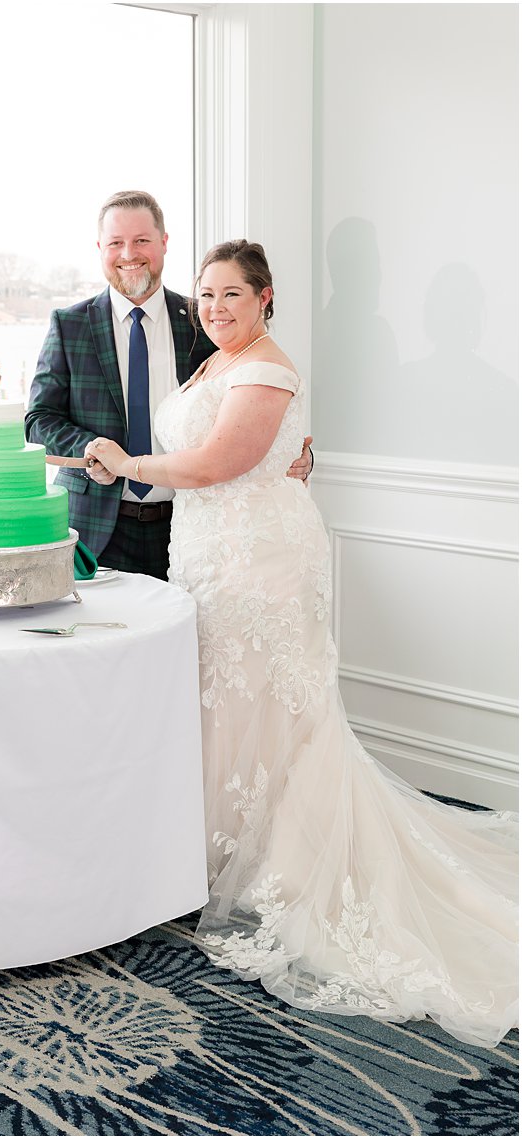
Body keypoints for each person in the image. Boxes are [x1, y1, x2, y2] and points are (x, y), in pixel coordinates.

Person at [85, 240, 518, 1048]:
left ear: (266, 298)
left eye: (232, 296)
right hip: (213, 557)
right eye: (206, 296)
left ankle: (284, 864)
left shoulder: (265, 369)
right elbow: (259, 456)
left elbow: (221, 462)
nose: (214, 308)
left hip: (262, 565)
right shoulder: (217, 362)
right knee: (228, 702)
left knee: (276, 710)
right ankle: (219, 854)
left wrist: (125, 462)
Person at [26, 191, 310, 579]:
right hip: (97, 530)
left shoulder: (206, 319)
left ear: (163, 243)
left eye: (142, 240)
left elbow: (257, 395)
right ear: (100, 248)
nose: (129, 253)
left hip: (191, 526)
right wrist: (88, 449)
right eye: (116, 243)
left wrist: (297, 454)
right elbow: (38, 419)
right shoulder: (69, 325)